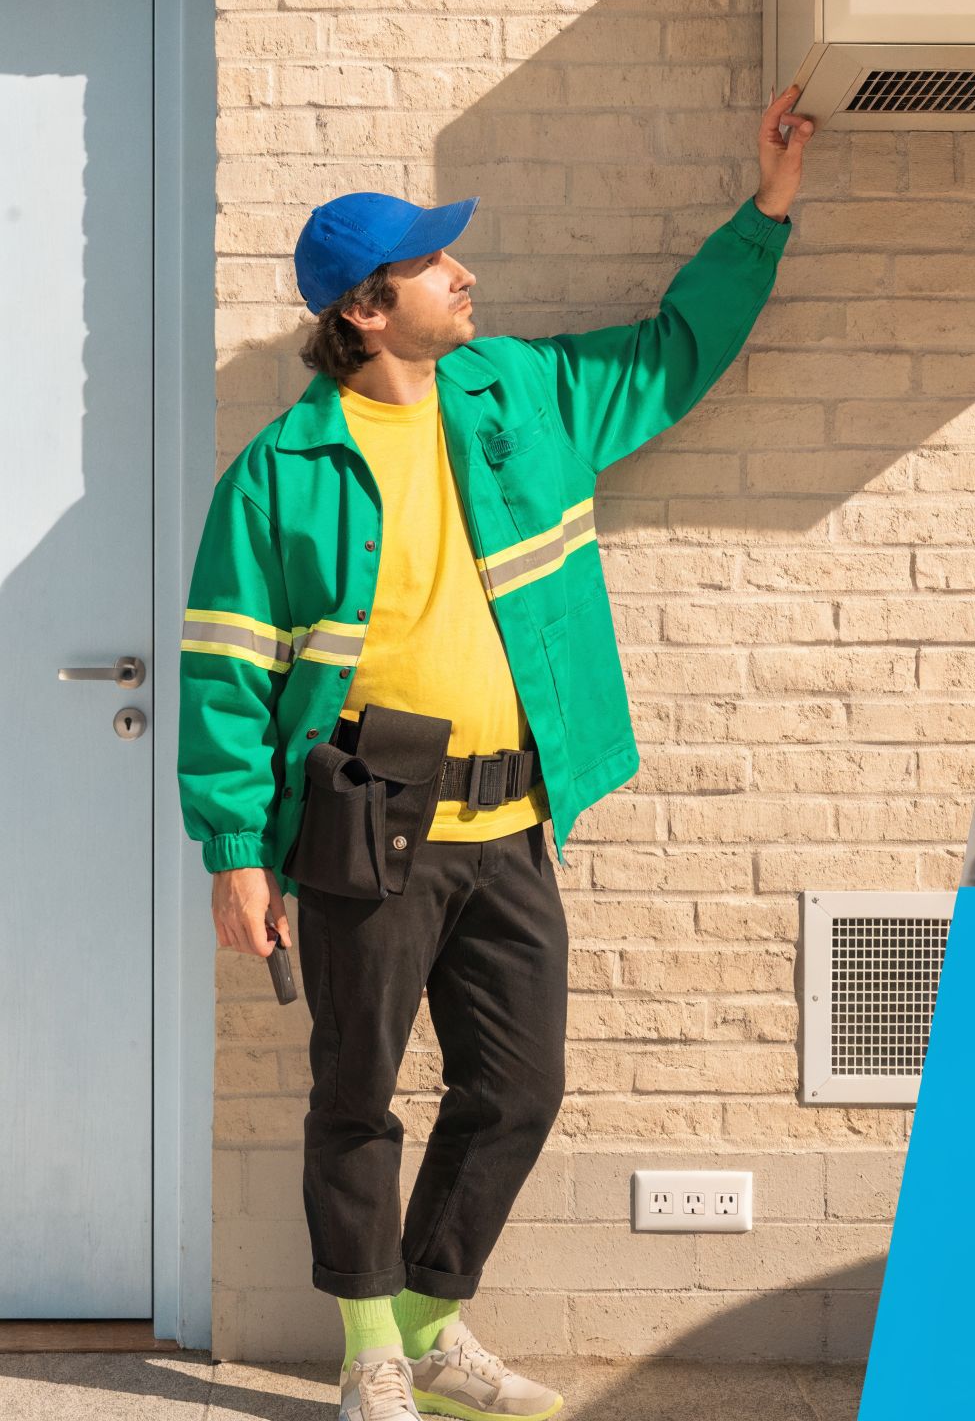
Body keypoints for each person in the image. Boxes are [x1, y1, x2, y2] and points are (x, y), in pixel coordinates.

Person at [179, 89, 816, 1421]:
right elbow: (228, 677)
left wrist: (765, 210)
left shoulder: (520, 393)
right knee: (355, 1092)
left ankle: (424, 1320)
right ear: (365, 308)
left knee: (520, 1088)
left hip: (513, 820)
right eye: (432, 260)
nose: (465, 272)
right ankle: (367, 1355)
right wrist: (237, 853)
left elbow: (672, 355)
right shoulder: (283, 470)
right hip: (369, 821)